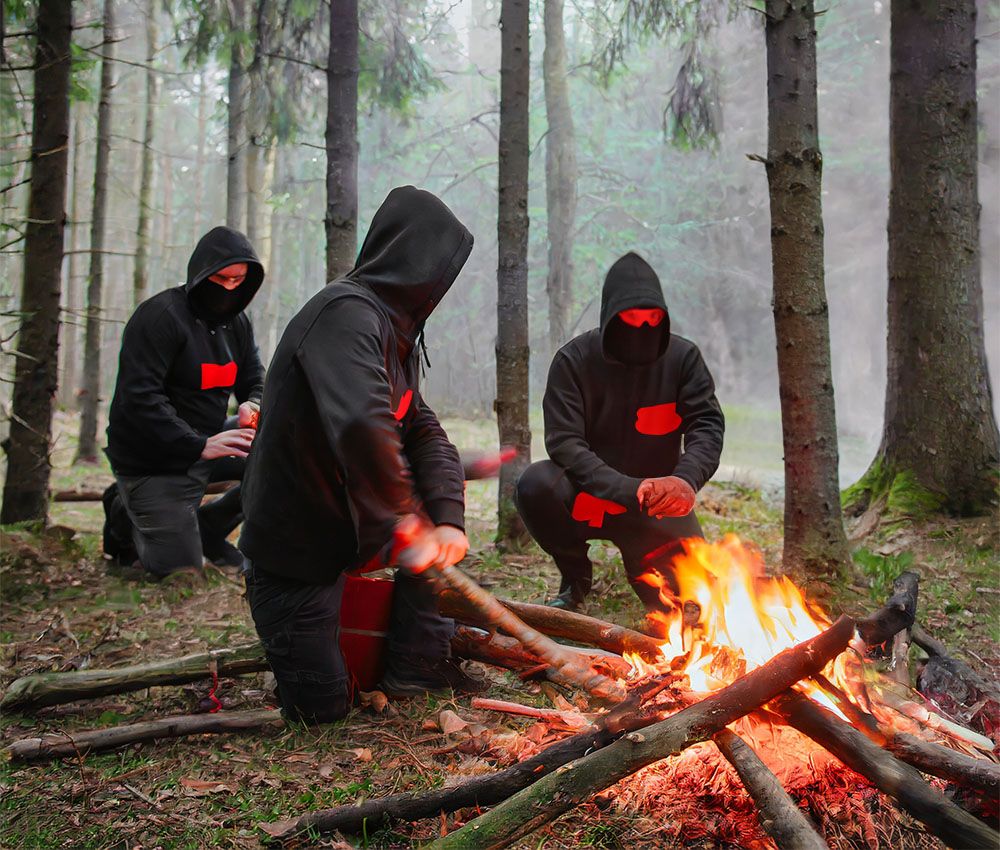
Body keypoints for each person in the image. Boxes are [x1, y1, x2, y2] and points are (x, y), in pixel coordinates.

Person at [239, 186, 480, 724]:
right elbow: (362, 425)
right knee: (322, 707)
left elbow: (423, 431)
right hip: (295, 554)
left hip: (354, 535)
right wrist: (403, 519)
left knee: (436, 551)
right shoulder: (344, 315)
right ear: (411, 259)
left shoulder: (398, 337)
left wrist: (446, 519)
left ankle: (416, 668)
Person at [515, 252, 725, 620]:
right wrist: (627, 488)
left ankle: (643, 571)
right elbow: (564, 443)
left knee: (678, 608)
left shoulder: (683, 359)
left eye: (653, 319)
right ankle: (575, 578)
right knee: (536, 484)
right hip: (587, 499)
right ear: (612, 315)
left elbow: (706, 425)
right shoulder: (574, 361)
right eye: (631, 318)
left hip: (655, 507)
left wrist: (685, 480)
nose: (643, 328)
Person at [103, 226, 265, 578]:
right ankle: (123, 515)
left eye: (239, 280)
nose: (229, 288)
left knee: (273, 456)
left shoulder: (236, 324)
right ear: (202, 273)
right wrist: (198, 445)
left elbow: (255, 377)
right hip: (152, 459)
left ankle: (207, 528)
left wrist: (252, 402)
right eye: (221, 278)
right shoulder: (160, 318)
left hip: (207, 441)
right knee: (180, 574)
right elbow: (140, 401)